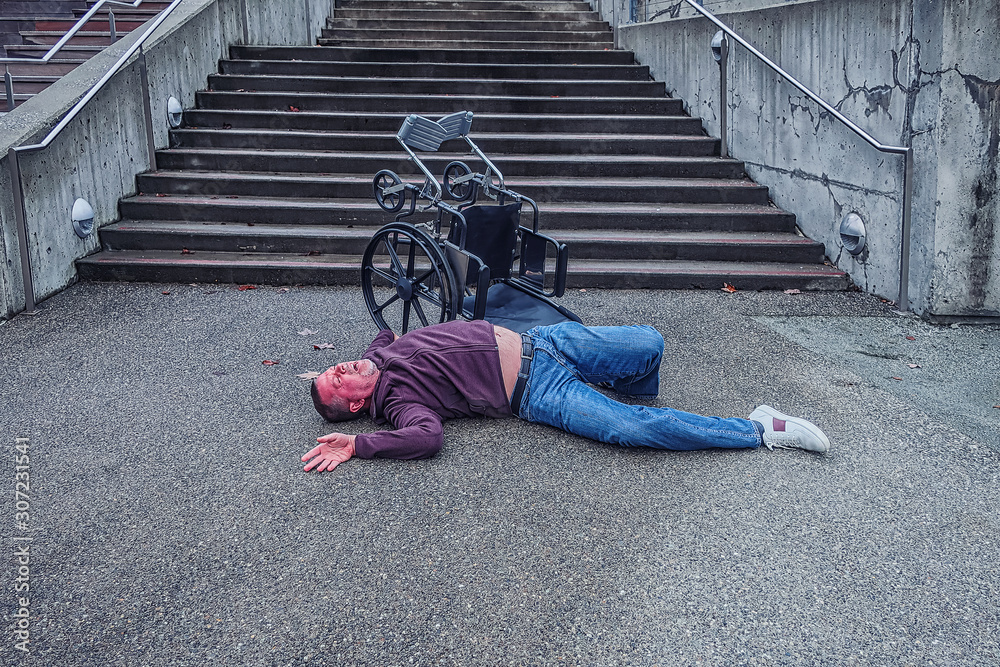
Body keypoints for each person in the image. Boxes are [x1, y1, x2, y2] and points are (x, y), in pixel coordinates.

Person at [303, 320, 830, 472]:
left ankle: (621, 386)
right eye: (337, 378)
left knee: (650, 343)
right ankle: (760, 429)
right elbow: (428, 436)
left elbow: (383, 337)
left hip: (544, 339)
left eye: (334, 365)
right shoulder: (396, 402)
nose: (342, 367)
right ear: (354, 405)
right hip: (539, 391)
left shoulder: (381, 353)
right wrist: (359, 445)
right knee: (632, 429)